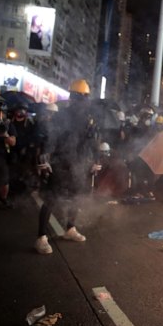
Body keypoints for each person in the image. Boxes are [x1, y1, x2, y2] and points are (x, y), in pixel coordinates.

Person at [35, 79, 95, 254]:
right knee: (52, 198)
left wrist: (92, 160)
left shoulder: (88, 119)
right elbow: (50, 138)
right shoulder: (61, 116)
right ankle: (41, 237)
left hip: (78, 163)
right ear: (73, 97)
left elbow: (89, 142)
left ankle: (70, 229)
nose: (83, 101)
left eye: (85, 97)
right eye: (80, 96)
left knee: (76, 197)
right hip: (60, 162)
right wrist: (45, 159)